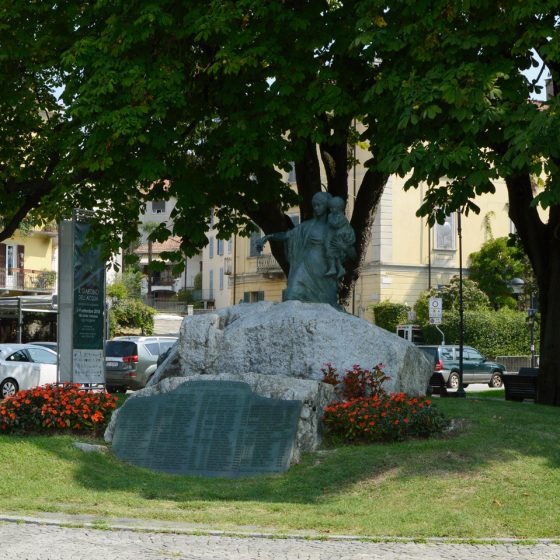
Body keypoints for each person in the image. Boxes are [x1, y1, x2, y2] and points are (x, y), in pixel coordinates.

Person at [256, 192, 355, 309]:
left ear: (327, 206)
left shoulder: (336, 226)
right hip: (305, 266)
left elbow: (352, 254)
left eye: (319, 205)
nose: (316, 208)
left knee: (327, 303)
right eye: (314, 205)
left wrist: (343, 246)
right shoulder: (307, 226)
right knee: (291, 294)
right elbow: (288, 235)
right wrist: (268, 237)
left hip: (324, 270)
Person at [324, 196, 356, 279]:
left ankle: (335, 269)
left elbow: (336, 224)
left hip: (343, 235)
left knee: (333, 251)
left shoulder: (341, 216)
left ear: (340, 208)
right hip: (337, 236)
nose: (332, 210)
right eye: (330, 208)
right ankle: (336, 269)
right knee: (332, 252)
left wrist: (330, 220)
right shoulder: (332, 215)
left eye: (334, 208)